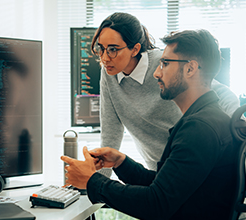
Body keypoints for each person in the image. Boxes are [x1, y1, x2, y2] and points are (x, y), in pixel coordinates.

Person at [61, 29, 237, 219]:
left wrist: (91, 181)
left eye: (165, 63)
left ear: (190, 69)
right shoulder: (202, 120)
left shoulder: (200, 129)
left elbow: (156, 204)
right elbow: (165, 187)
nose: (156, 73)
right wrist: (122, 163)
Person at [92, 12, 239, 172]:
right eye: (101, 48)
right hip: (157, 168)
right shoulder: (109, 73)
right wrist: (96, 182)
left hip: (190, 160)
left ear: (135, 49)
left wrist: (236, 136)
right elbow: (110, 132)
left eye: (113, 49)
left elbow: (221, 94)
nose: (105, 58)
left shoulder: (164, 63)